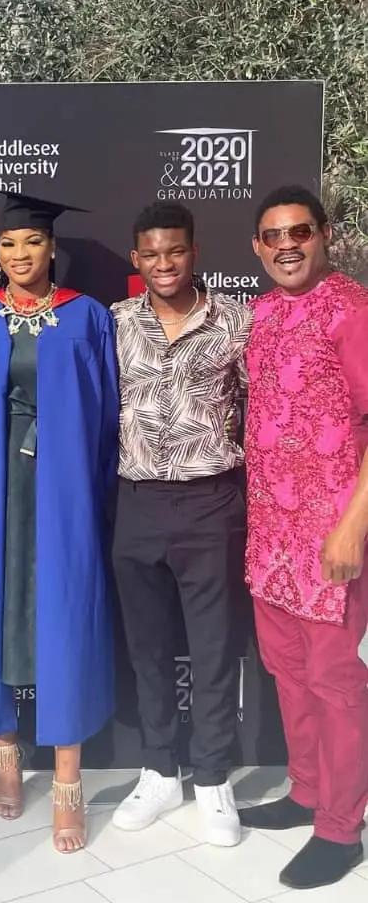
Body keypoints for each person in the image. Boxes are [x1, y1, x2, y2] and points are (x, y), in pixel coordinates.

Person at [0, 193, 120, 853]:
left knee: (64, 615)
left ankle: (67, 780)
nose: (19, 254)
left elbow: (109, 416)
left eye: (31, 242)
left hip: (61, 490)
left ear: (52, 247)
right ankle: (4, 754)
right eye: (8, 244)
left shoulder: (87, 317)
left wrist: (88, 487)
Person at [109, 201, 251, 848]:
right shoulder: (115, 323)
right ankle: (160, 769)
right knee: (146, 647)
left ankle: (213, 776)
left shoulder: (235, 322)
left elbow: (258, 409)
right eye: (151, 254)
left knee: (214, 646)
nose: (163, 263)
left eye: (175, 251)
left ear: (194, 252)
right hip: (136, 500)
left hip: (210, 502)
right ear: (136, 259)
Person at [238, 185, 368, 889]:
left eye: (300, 232)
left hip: (331, 543)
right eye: (273, 235)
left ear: (323, 236)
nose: (287, 245)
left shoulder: (352, 310)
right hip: (271, 537)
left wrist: (352, 527)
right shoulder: (261, 313)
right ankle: (307, 791)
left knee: (336, 684)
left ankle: (341, 829)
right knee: (288, 673)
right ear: (257, 247)